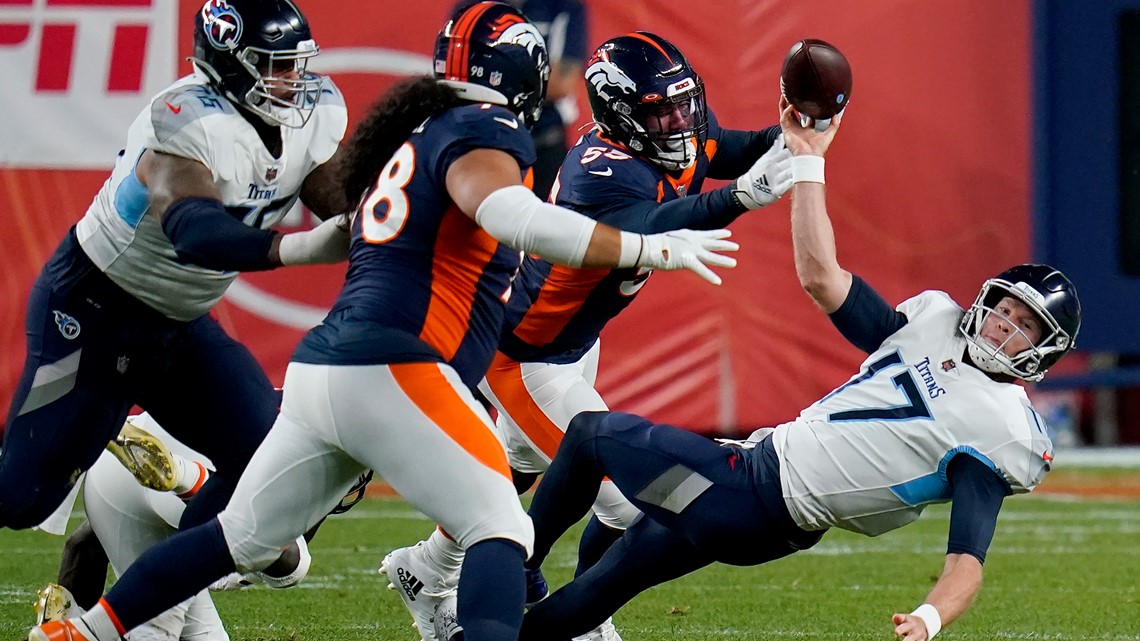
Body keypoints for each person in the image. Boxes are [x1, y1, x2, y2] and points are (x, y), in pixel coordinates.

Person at [28, 4, 738, 641]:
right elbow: (510, 216)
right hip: (398, 364)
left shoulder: (419, 130)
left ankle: (86, 631)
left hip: (324, 366)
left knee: (241, 537)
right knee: (501, 526)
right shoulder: (483, 129)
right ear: (524, 76)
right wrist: (648, 246)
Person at [504, 98, 1083, 641]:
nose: (1004, 327)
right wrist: (808, 166)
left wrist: (930, 618)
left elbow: (967, 561)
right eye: (1005, 309)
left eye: (1024, 325)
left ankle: (522, 565)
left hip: (758, 495)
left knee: (591, 435)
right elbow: (821, 277)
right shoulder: (932, 324)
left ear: (1044, 351)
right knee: (614, 574)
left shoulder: (1001, 427)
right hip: (760, 478)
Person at [379, 30, 793, 641]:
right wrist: (736, 198)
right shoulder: (601, 171)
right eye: (660, 110)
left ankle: (427, 567)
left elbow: (744, 145)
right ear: (620, 113)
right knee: (628, 501)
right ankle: (576, 618)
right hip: (526, 356)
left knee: (520, 463)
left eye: (683, 103)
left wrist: (804, 129)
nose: (680, 121)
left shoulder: (672, 134)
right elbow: (653, 224)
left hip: (573, 345)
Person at [0, 0, 354, 533]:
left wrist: (386, 218)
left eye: (297, 64)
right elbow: (195, 232)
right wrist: (300, 248)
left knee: (268, 469)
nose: (293, 79)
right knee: (21, 500)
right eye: (276, 64)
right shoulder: (185, 118)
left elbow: (334, 194)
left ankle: (144, 590)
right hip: (95, 310)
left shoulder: (314, 112)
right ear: (230, 61)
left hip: (180, 324)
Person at [450, 0, 589, 201]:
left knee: (544, 224)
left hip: (542, 144)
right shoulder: (473, 7)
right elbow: (454, 69)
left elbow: (562, 82)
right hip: (480, 139)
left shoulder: (564, 5)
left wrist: (488, 77)